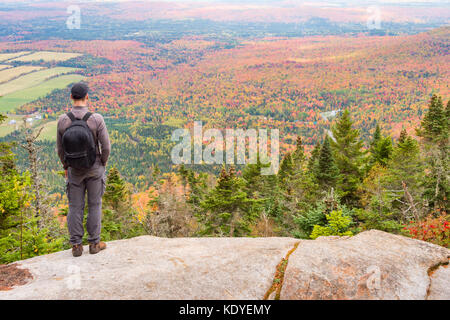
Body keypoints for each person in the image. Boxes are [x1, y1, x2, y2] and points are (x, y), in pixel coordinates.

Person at [56, 83, 111, 257]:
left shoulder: (63, 120)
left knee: (75, 207)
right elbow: (106, 147)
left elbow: (60, 150)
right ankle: (94, 244)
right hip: (94, 168)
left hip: (74, 170)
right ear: (87, 97)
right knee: (95, 205)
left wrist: (66, 166)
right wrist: (102, 162)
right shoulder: (96, 119)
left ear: (71, 97)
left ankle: (76, 246)